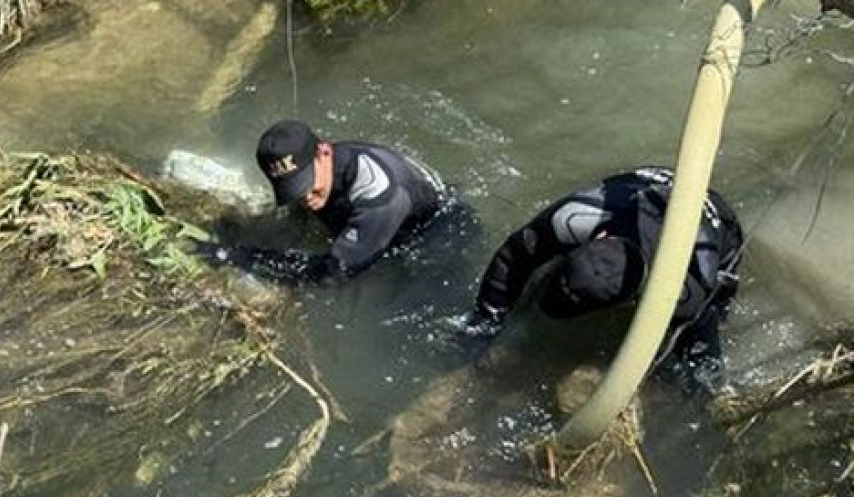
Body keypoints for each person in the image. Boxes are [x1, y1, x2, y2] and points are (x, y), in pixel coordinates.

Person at [455, 166, 744, 388]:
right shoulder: (576, 218)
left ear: (631, 298)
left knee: (684, 357)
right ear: (599, 237)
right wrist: (485, 321)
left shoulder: (686, 292)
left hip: (718, 225)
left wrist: (705, 391)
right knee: (535, 249)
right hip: (648, 182)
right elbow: (513, 256)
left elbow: (703, 356)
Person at [190, 120, 454, 283]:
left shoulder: (378, 197)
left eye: (307, 183)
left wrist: (241, 257)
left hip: (435, 233)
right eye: (292, 189)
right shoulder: (320, 164)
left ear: (325, 152)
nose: (305, 197)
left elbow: (332, 274)